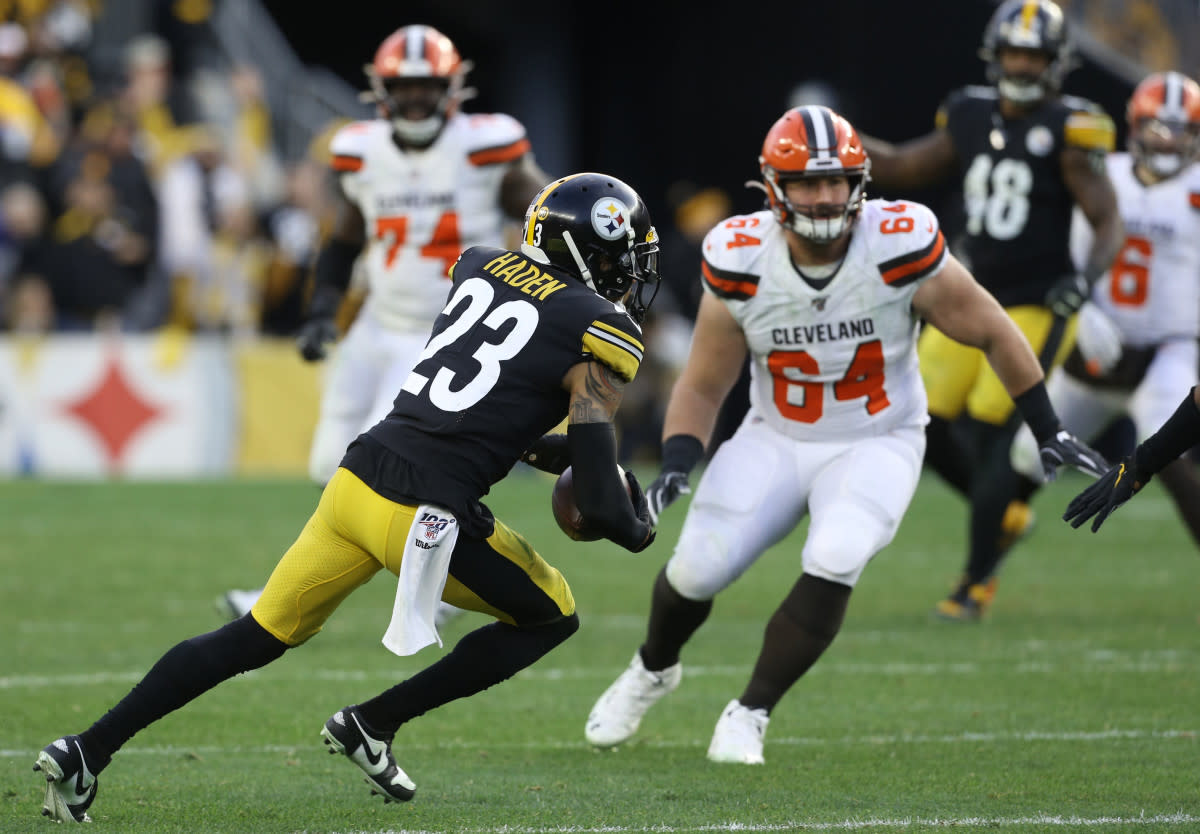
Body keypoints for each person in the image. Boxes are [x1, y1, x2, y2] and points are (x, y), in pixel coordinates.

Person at [33, 172, 660, 823]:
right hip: (424, 510)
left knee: (254, 634)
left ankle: (86, 749)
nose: (626, 273)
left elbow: (490, 405)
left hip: (359, 478)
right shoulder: (599, 326)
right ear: (583, 254)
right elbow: (603, 505)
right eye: (619, 257)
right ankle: (374, 721)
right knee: (552, 615)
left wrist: (560, 455)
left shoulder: (482, 265)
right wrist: (639, 526)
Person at [584, 106, 1106, 766]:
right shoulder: (741, 255)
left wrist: (1047, 426)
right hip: (776, 434)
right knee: (694, 569)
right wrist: (680, 461)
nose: (825, 196)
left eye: (836, 181)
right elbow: (705, 381)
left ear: (860, 182)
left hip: (878, 438)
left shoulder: (898, 242)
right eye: (807, 182)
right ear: (773, 188)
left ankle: (751, 711)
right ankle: (652, 669)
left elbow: (993, 329)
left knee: (837, 554)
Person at [218, 23, 548, 620]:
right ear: (381, 90)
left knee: (375, 467)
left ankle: (289, 599)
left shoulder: (485, 147)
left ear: (453, 87)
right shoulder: (360, 151)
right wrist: (322, 312)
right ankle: (431, 581)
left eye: (428, 86)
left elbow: (546, 219)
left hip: (444, 333)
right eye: (405, 86)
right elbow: (344, 241)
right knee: (328, 463)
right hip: (375, 323)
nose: (417, 99)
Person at [858, 0, 1123, 620]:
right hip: (967, 293)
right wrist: (837, 137)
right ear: (995, 54)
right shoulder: (970, 113)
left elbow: (1107, 217)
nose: (1022, 64)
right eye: (1014, 52)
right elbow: (900, 165)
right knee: (920, 419)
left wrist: (1084, 281)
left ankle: (974, 583)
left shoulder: (1069, 128)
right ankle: (1002, 512)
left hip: (1036, 302)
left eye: (1034, 54)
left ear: (1056, 62)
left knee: (1000, 442)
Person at [1016, 72, 1200, 539]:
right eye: (1158, 127)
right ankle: (976, 578)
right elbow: (1056, 248)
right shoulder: (1100, 173)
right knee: (1026, 457)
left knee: (1173, 447)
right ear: (1134, 125)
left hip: (1169, 347)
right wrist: (1080, 308)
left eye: (1180, 130)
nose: (1167, 140)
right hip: (1095, 340)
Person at [1065, 386, 1200, 532]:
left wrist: (1143, 462)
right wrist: (1141, 463)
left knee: (1173, 465)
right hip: (1086, 383)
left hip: (1151, 369)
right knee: (1038, 458)